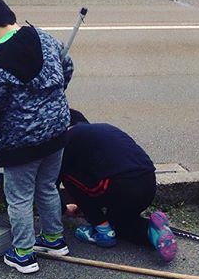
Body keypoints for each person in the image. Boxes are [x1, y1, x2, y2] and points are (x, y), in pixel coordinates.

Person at [0, 0, 74, 274]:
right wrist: (49, 101)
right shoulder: (43, 36)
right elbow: (68, 67)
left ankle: (23, 254)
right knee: (48, 186)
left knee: (20, 197)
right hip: (57, 131)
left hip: (21, 143)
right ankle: (54, 240)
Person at [61, 109, 177, 262]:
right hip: (148, 183)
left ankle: (102, 229)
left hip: (122, 186)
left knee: (66, 174)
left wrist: (64, 209)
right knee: (120, 224)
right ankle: (154, 232)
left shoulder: (66, 140)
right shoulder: (97, 131)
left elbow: (48, 186)